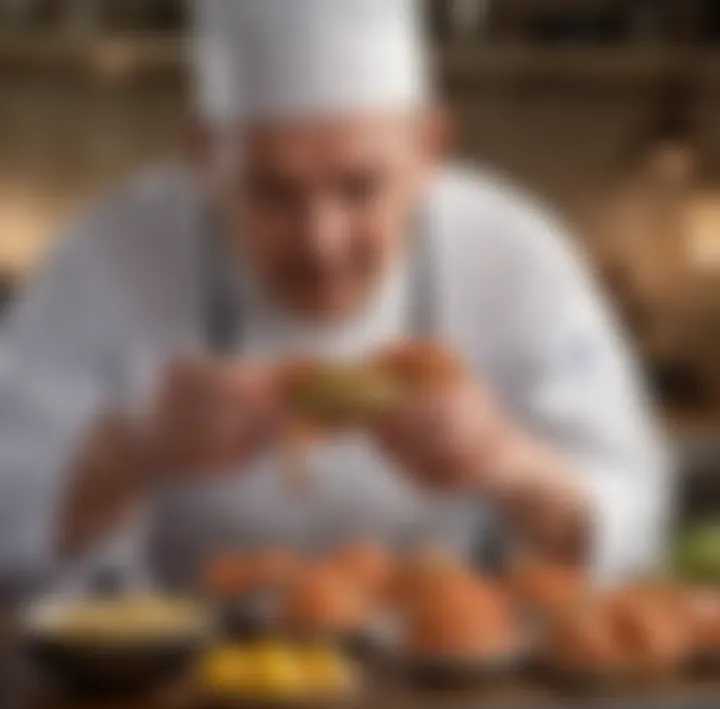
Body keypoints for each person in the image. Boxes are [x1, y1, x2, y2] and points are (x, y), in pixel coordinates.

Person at [0, 0, 669, 590]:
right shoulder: (101, 261)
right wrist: (128, 450)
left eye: (359, 189)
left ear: (429, 148)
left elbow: (634, 515)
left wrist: (506, 459)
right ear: (203, 156)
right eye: (272, 193)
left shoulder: (517, 256)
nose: (321, 243)